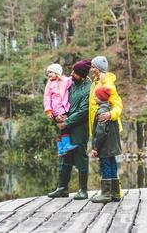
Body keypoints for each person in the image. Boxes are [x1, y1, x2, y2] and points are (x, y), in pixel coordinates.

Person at [47, 60, 92, 200]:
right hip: (65, 125)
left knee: (80, 157)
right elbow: (57, 100)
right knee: (64, 156)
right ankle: (62, 188)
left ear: (82, 75)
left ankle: (83, 190)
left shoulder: (88, 88)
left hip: (79, 128)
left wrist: (67, 121)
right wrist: (56, 117)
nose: (71, 74)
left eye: (75, 72)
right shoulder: (69, 84)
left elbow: (84, 111)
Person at [88, 56, 123, 202]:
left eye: (93, 67)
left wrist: (110, 114)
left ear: (99, 68)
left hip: (105, 129)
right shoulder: (97, 82)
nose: (91, 69)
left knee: (105, 162)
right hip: (101, 128)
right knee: (111, 161)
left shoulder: (107, 84)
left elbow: (118, 104)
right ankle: (115, 193)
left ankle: (107, 193)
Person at [43, 63, 77, 156]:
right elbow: (46, 98)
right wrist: (48, 111)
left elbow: (71, 80)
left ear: (57, 73)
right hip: (56, 109)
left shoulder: (64, 80)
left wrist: (84, 78)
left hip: (63, 107)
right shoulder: (49, 84)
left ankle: (60, 150)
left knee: (60, 128)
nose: (48, 74)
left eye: (50, 72)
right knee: (64, 126)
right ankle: (66, 146)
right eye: (48, 73)